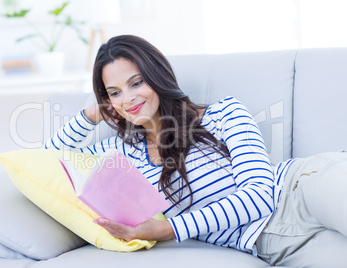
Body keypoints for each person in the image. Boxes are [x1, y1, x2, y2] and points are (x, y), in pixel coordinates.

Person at [45, 35, 347, 267]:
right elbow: (44, 160)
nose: (128, 98)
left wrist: (163, 230)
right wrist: (88, 116)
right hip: (272, 243)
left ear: (157, 75)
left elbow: (259, 196)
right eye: (115, 92)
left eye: (136, 82)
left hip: (301, 187)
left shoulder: (223, 113)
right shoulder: (122, 154)